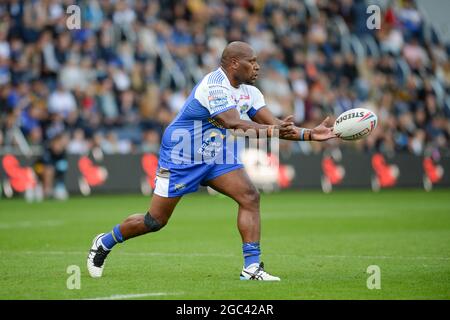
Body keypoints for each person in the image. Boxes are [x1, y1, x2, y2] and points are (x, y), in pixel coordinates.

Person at [87, 41, 335, 281]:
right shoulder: (214, 84)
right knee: (154, 221)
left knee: (250, 197)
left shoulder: (251, 93)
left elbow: (277, 127)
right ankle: (105, 242)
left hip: (215, 153)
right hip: (181, 154)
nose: (257, 67)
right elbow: (233, 123)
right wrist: (275, 130)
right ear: (234, 63)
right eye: (252, 61)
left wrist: (311, 134)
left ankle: (251, 267)